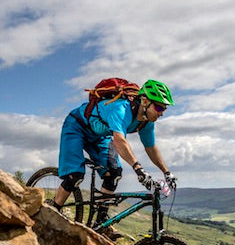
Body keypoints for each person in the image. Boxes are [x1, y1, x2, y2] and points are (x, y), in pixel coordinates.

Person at [48, 79, 178, 211]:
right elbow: (119, 141)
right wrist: (138, 169)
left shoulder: (147, 122)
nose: (161, 113)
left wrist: (167, 173)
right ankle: (53, 210)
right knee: (74, 176)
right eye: (159, 107)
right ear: (145, 101)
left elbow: (151, 147)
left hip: (99, 135)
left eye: (164, 109)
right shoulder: (121, 109)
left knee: (114, 173)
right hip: (76, 126)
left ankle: (101, 220)